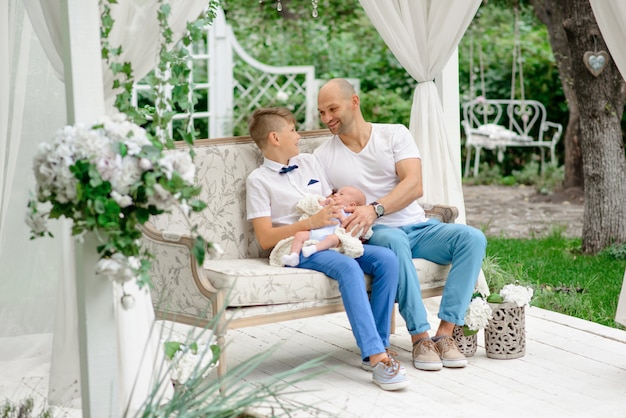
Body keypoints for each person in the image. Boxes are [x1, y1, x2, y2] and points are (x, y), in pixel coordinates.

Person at [315, 78, 487, 371]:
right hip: (376, 235)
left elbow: (414, 185)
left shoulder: (394, 134)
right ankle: (420, 337)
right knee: (394, 242)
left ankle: (445, 335)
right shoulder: (322, 156)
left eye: (332, 109)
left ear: (354, 102)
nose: (327, 118)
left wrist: (375, 208)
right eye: (321, 112)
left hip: (418, 227)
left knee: (472, 238)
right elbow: (324, 208)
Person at [245, 107, 409, 390]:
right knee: (347, 268)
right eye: (293, 130)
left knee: (387, 260)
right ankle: (378, 357)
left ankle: (376, 347)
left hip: (332, 235)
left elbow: (337, 197)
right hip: (298, 245)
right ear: (274, 137)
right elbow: (264, 238)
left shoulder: (309, 162)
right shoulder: (258, 181)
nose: (298, 135)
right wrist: (309, 222)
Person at [280, 186, 372, 267]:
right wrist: (323, 203)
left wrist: (341, 216)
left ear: (352, 205)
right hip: (318, 232)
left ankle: (313, 249)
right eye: (336, 193)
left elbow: (348, 227)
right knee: (300, 235)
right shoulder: (330, 205)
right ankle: (293, 256)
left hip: (332, 234)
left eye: (341, 194)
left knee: (333, 239)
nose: (335, 195)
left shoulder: (349, 214)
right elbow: (316, 212)